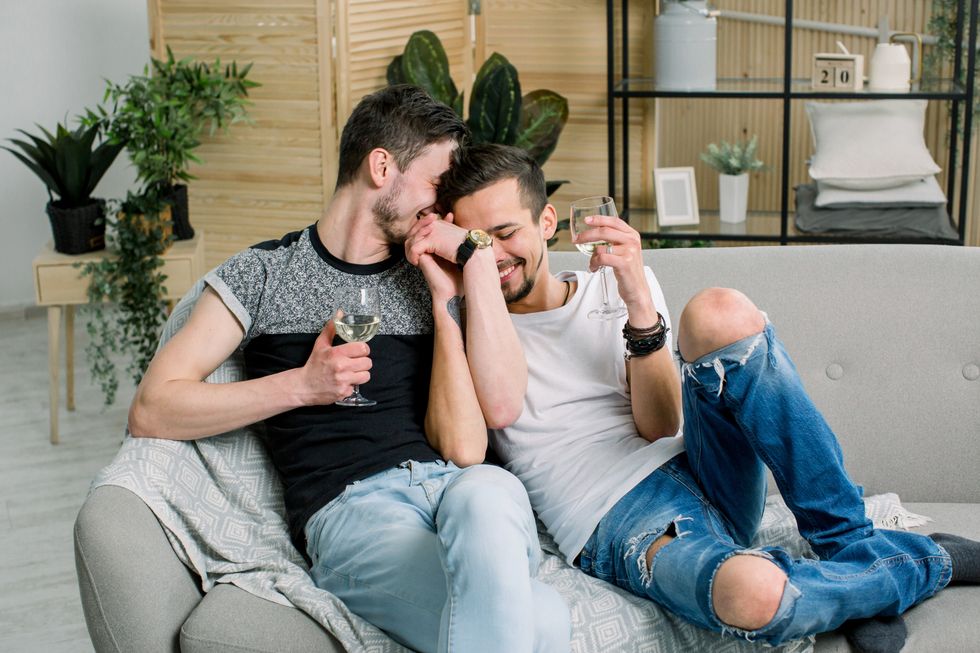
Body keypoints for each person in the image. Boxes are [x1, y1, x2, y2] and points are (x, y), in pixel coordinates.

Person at [440, 143, 980, 653]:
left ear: (548, 222)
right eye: (475, 243)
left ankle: (844, 541)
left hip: (702, 465)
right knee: (753, 593)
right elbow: (466, 438)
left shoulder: (616, 284)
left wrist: (637, 303)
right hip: (621, 519)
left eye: (504, 233)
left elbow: (658, 425)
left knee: (718, 310)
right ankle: (914, 565)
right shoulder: (469, 332)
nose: (493, 257)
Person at [127, 87, 570, 653]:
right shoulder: (262, 275)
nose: (443, 211)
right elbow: (152, 408)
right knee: (544, 621)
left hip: (461, 495)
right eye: (437, 186)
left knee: (488, 487)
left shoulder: (426, 273)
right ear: (382, 166)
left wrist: (452, 293)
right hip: (356, 515)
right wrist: (301, 385)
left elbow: (474, 436)